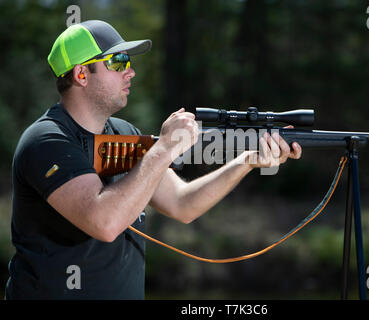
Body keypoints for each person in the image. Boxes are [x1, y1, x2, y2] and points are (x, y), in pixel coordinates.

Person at [5, 20, 302, 299]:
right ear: (81, 75)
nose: (130, 71)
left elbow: (183, 204)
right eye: (118, 62)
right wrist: (163, 149)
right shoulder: (46, 140)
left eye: (129, 62)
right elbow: (105, 222)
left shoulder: (124, 133)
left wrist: (248, 161)